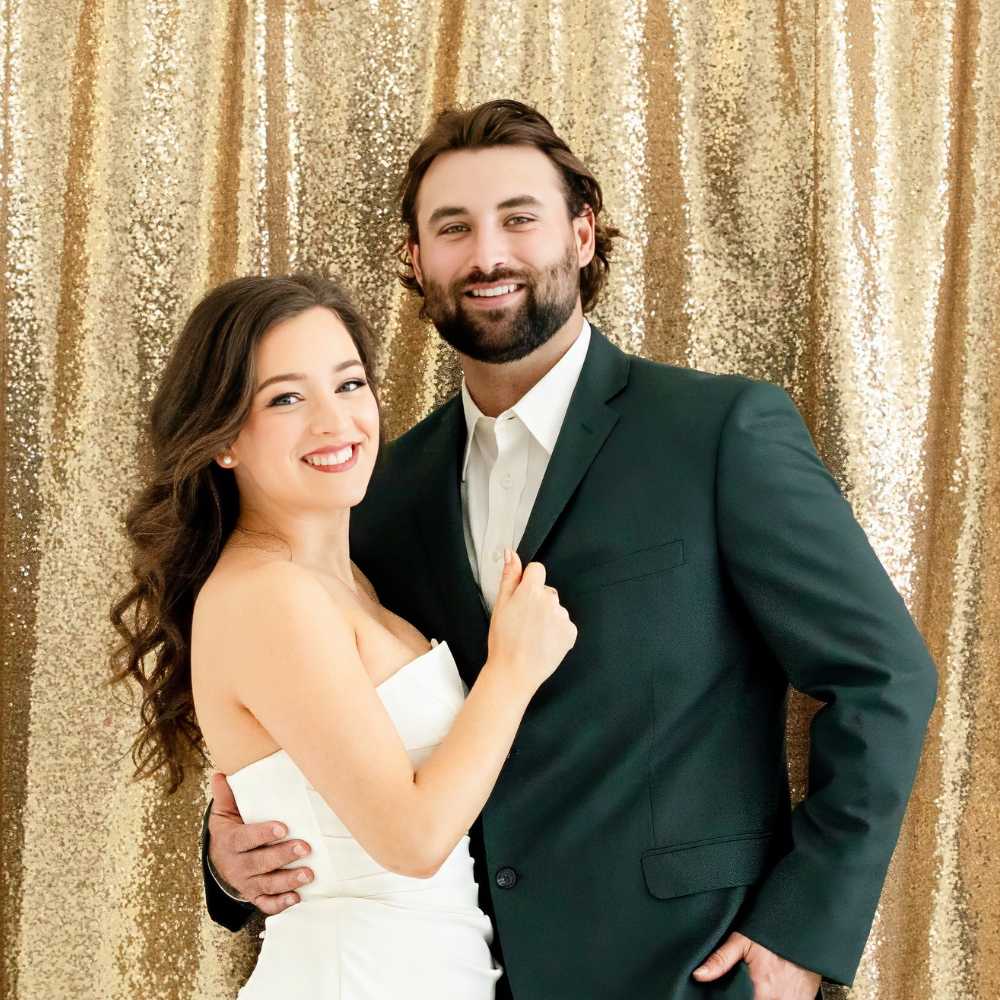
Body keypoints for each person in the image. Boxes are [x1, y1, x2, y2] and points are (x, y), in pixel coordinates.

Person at [203, 101, 938, 1000]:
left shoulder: (717, 433)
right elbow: (353, 726)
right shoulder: (375, 491)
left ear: (582, 236)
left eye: (519, 218)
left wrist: (800, 932)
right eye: (453, 229)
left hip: (686, 972)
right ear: (415, 260)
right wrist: (236, 859)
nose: (488, 254)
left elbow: (885, 675)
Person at [111, 272, 578, 998]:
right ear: (225, 439)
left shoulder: (350, 577)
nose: (336, 422)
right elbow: (413, 839)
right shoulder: (268, 595)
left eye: (350, 384)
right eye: (287, 398)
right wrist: (512, 669)